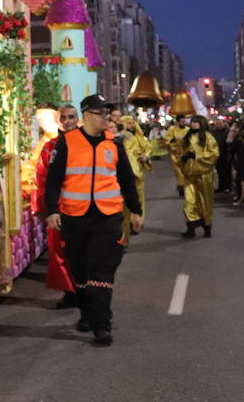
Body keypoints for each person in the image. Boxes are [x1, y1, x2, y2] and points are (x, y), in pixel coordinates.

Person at [44, 95, 143, 347]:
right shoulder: (67, 142)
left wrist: (136, 210)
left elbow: (127, 179)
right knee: (79, 271)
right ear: (86, 115)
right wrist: (52, 210)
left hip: (107, 218)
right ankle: (87, 314)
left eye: (107, 113)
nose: (106, 118)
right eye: (101, 113)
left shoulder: (114, 144)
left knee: (101, 271)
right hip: (74, 218)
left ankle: (102, 325)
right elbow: (53, 179)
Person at [34, 104, 79, 308]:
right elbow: (42, 178)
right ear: (59, 120)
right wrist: (49, 209)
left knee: (82, 252)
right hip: (59, 209)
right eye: (64, 117)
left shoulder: (86, 144)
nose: (68, 121)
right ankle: (69, 291)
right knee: (60, 252)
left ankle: (84, 293)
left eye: (72, 117)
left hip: (83, 208)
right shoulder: (49, 147)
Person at [180, 115, 220, 237]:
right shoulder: (187, 138)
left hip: (204, 175)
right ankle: (191, 227)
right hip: (190, 175)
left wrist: (197, 156)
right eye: (192, 122)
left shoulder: (208, 138)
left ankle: (207, 227)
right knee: (189, 202)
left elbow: (214, 154)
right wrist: (184, 158)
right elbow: (180, 153)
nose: (193, 124)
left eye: (196, 122)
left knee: (205, 202)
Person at [118, 115, 152, 245]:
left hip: (137, 174)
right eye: (128, 123)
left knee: (138, 198)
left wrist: (146, 156)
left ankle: (137, 220)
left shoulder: (139, 138)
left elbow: (148, 148)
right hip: (124, 174)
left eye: (132, 123)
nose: (131, 125)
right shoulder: (119, 138)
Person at [164, 115, 190, 196]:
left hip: (186, 155)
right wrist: (175, 139)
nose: (183, 123)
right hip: (176, 155)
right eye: (182, 121)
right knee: (179, 172)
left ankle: (186, 187)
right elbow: (166, 140)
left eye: (184, 121)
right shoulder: (172, 129)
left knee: (187, 171)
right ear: (177, 122)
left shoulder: (188, 130)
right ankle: (181, 187)